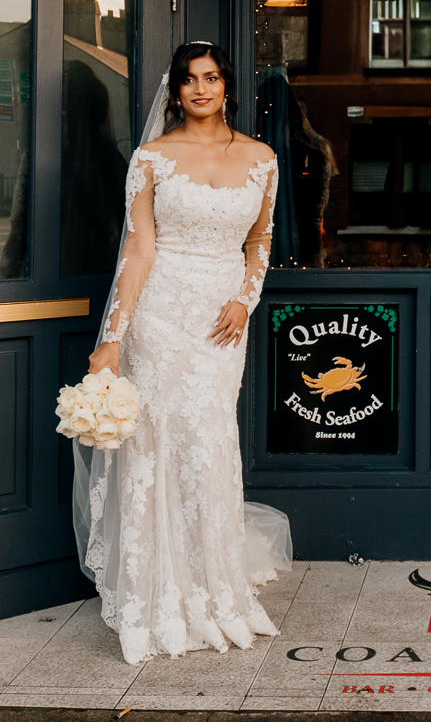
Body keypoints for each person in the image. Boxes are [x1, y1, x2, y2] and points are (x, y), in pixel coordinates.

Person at [73, 41, 292, 664]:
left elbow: (260, 246)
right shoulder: (151, 158)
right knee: (154, 445)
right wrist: (112, 339)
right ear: (175, 90)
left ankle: (215, 590)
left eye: (212, 77)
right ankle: (154, 595)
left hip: (220, 323)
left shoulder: (263, 159)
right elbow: (137, 253)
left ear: (227, 86)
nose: (200, 89)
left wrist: (244, 301)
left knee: (208, 442)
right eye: (189, 79)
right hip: (159, 315)